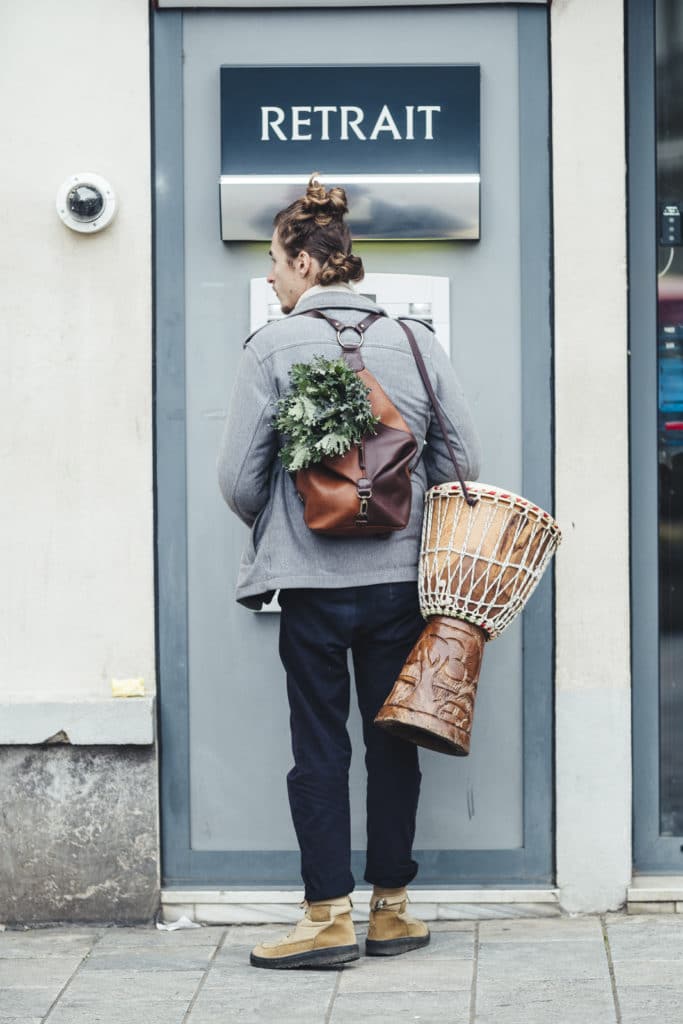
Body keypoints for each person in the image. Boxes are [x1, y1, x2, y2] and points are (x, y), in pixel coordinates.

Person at [217, 175, 481, 970]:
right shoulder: (415, 343)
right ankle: (392, 913)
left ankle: (326, 917)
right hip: (402, 589)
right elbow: (463, 463)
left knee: (318, 749)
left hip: (309, 587)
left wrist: (290, 526)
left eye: (273, 261)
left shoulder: (270, 345)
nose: (269, 276)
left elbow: (237, 478)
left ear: (304, 259)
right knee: (392, 743)